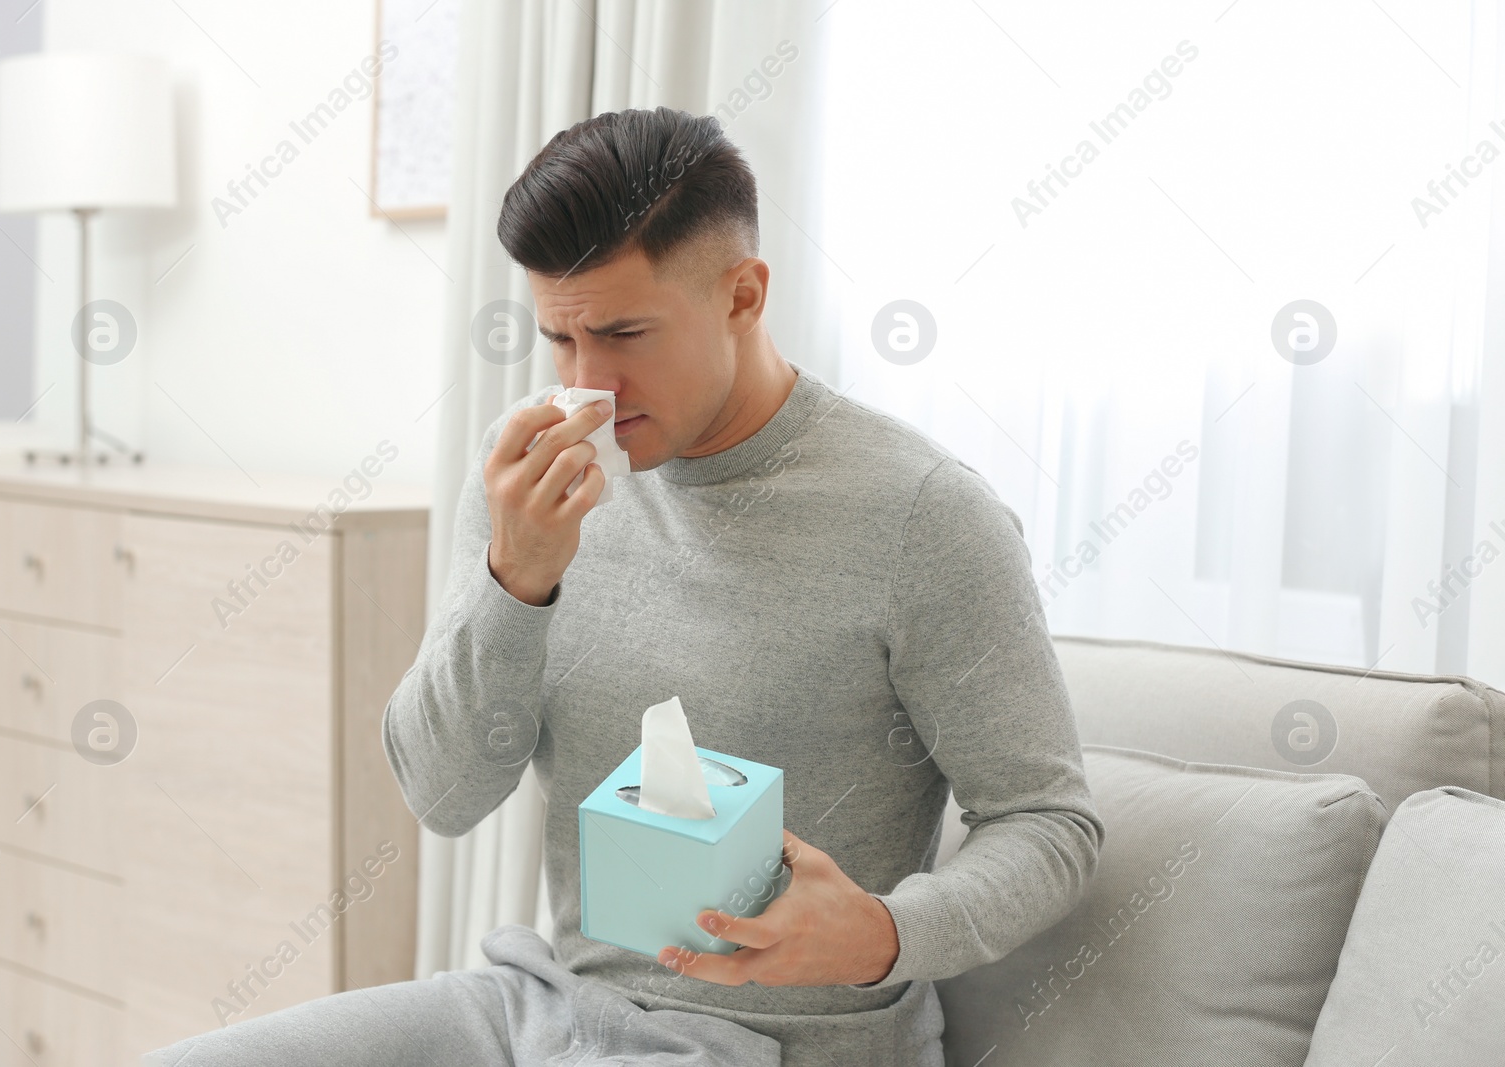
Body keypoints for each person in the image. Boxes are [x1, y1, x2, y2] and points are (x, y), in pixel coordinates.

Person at [145, 105, 1103, 1067]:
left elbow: (1049, 822)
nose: (587, 385)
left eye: (624, 333)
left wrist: (886, 933)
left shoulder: (923, 516)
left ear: (744, 295)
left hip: (779, 1040)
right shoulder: (531, 475)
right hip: (544, 1010)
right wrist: (515, 579)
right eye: (560, 341)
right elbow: (443, 795)